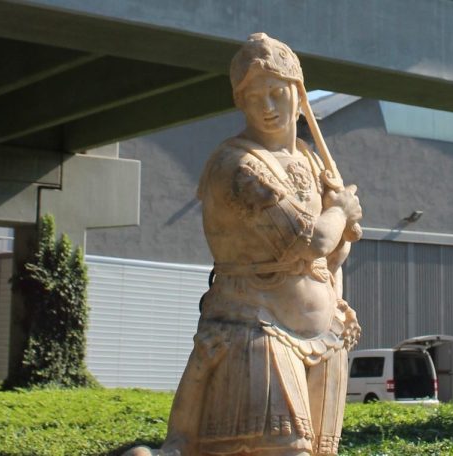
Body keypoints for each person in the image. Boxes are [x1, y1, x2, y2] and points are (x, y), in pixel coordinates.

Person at [153, 33, 362, 456]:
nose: (267, 107)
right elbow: (310, 241)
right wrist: (342, 211)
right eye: (253, 96)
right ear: (239, 101)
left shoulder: (310, 158)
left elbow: (333, 254)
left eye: (277, 92)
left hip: (322, 335)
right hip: (258, 327)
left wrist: (345, 229)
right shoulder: (237, 166)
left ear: (298, 94)